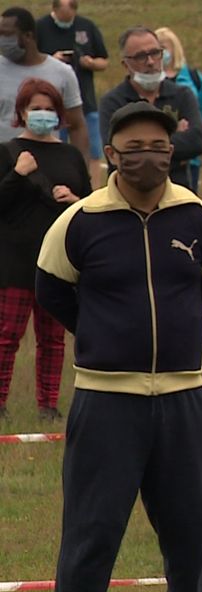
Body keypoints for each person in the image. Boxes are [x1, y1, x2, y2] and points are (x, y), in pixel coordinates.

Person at [37, 101, 202, 592]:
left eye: (159, 148)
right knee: (90, 540)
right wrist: (104, 333)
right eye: (136, 148)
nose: (149, 157)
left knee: (190, 544)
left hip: (184, 401)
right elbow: (53, 291)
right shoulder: (79, 222)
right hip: (106, 405)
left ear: (172, 152)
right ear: (111, 153)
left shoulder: (197, 215)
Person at [0, 78, 89, 422]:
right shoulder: (8, 151)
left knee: (53, 339)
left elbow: (90, 202)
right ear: (22, 111)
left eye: (50, 109)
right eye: (36, 108)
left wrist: (75, 200)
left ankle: (48, 405)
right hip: (14, 259)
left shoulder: (70, 155)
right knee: (7, 336)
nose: (43, 114)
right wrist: (17, 175)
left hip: (58, 261)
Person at [99, 26, 202, 191]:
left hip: (178, 194)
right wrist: (171, 139)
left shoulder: (182, 95)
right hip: (128, 198)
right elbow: (115, 153)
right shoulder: (113, 102)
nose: (150, 62)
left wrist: (138, 146)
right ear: (125, 64)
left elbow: (197, 142)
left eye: (155, 53)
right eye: (141, 56)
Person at [0, 6, 88, 162]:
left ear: (28, 36)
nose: (2, 41)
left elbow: (76, 126)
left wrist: (81, 170)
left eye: (7, 35)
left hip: (48, 166)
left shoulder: (62, 73)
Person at [35, 0, 108, 187]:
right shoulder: (40, 28)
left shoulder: (87, 26)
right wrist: (51, 61)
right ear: (54, 9)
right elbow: (30, 60)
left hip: (85, 102)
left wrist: (91, 63)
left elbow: (104, 61)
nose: (67, 22)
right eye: (63, 18)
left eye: (70, 18)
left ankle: (92, 190)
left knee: (92, 151)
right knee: (55, 149)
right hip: (50, 103)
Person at [156, 26, 202, 190]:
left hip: (189, 160)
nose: (161, 52)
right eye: (157, 48)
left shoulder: (193, 78)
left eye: (164, 47)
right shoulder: (150, 80)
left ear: (174, 49)